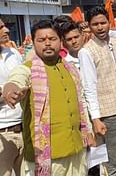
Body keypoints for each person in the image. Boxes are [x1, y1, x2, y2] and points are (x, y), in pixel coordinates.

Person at [3, 20, 94, 175]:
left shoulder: (71, 68)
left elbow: (81, 100)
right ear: (33, 42)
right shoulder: (28, 69)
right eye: (41, 40)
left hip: (76, 150)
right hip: (46, 158)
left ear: (61, 41)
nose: (47, 44)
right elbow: (17, 78)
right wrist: (11, 88)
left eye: (52, 39)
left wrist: (89, 130)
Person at [79, 6, 116, 176]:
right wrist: (96, 118)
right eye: (95, 24)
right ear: (89, 26)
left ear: (109, 23)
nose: (100, 27)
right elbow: (89, 88)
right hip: (109, 113)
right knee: (113, 161)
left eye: (103, 23)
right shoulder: (86, 51)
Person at [0, 18, 24, 176]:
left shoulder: (13, 53)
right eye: (0, 27)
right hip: (2, 135)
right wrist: (5, 93)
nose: (6, 30)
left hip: (23, 129)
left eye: (4, 26)